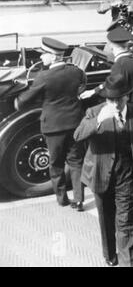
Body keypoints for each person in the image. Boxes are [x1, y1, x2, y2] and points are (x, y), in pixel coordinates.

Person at [74, 73, 133, 267]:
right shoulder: (94, 112)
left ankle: (129, 264)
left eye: (119, 98)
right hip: (100, 174)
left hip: (127, 176)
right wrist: (99, 120)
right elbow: (78, 135)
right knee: (106, 218)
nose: (115, 103)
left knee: (126, 222)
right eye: (111, 99)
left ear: (127, 96)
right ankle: (109, 254)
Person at [14, 37, 86, 211]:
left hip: (53, 127)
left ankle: (62, 199)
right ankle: (79, 200)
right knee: (76, 163)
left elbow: (23, 102)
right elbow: (82, 86)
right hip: (75, 123)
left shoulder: (43, 76)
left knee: (56, 164)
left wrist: (17, 100)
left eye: (44, 54)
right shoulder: (75, 72)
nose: (41, 58)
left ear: (53, 56)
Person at [80, 27, 133, 117]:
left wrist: (93, 92)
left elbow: (113, 86)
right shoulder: (132, 60)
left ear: (111, 45)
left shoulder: (120, 65)